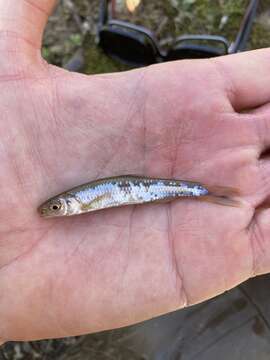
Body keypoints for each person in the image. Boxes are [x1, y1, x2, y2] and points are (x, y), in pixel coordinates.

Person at [0, 0, 270, 344]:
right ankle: (211, 194)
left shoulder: (76, 203)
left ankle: (209, 193)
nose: (55, 211)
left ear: (67, 204)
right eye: (56, 208)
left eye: (56, 208)